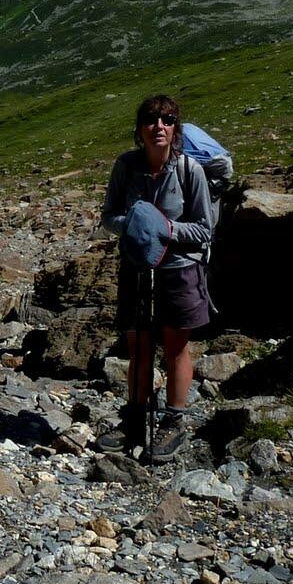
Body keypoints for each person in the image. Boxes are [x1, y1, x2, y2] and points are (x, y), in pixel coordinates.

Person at [95, 94, 213, 462]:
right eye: (151, 119)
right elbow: (108, 215)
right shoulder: (126, 166)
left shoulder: (190, 171)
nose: (159, 126)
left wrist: (165, 230)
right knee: (139, 346)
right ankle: (134, 416)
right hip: (136, 266)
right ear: (140, 128)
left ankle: (174, 421)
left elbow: (204, 229)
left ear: (176, 128)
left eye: (168, 120)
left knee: (175, 347)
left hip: (180, 268)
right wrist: (135, 224)